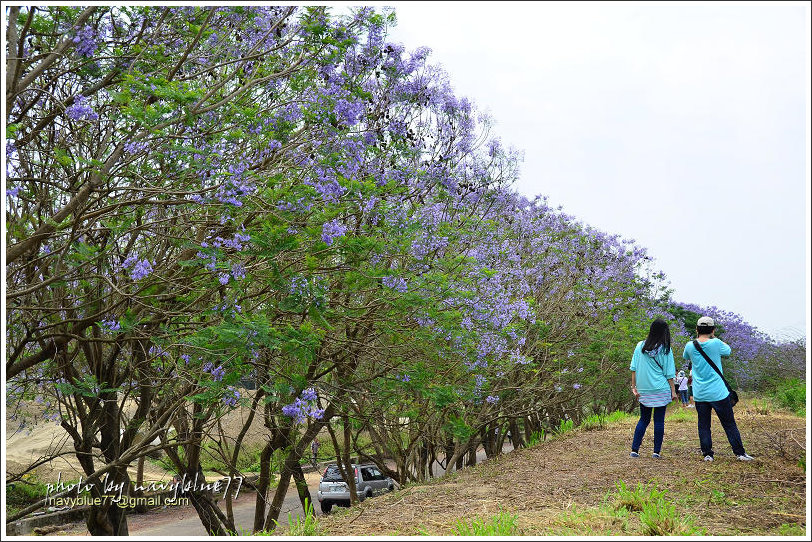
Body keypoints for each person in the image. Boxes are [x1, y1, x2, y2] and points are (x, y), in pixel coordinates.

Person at [682, 316, 753, 462]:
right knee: (729, 423)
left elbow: (685, 356)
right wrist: (714, 337)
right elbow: (728, 351)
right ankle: (740, 453)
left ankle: (708, 454)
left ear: (696, 329)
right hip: (718, 393)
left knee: (703, 424)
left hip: (700, 393)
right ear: (712, 330)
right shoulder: (716, 343)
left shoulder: (690, 345)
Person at [629, 318, 678, 459]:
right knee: (659, 421)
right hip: (661, 389)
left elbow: (633, 368)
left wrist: (634, 387)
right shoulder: (666, 349)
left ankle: (634, 450)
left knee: (643, 420)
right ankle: (656, 452)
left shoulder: (640, 346)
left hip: (644, 390)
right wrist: (673, 392)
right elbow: (669, 373)